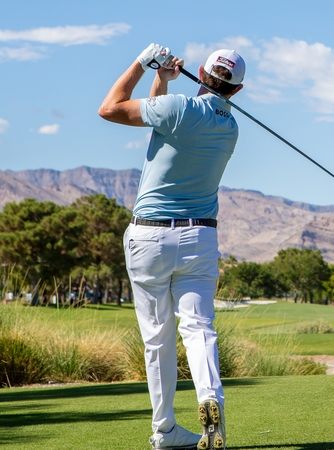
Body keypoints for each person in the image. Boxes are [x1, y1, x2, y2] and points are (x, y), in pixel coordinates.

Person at [99, 43, 246, 450]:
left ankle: (164, 431)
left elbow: (110, 109)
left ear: (201, 71)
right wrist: (161, 82)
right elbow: (161, 123)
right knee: (198, 328)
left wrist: (141, 65)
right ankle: (209, 399)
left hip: (148, 237)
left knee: (158, 338)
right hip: (200, 237)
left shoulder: (180, 108)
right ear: (237, 91)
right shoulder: (230, 128)